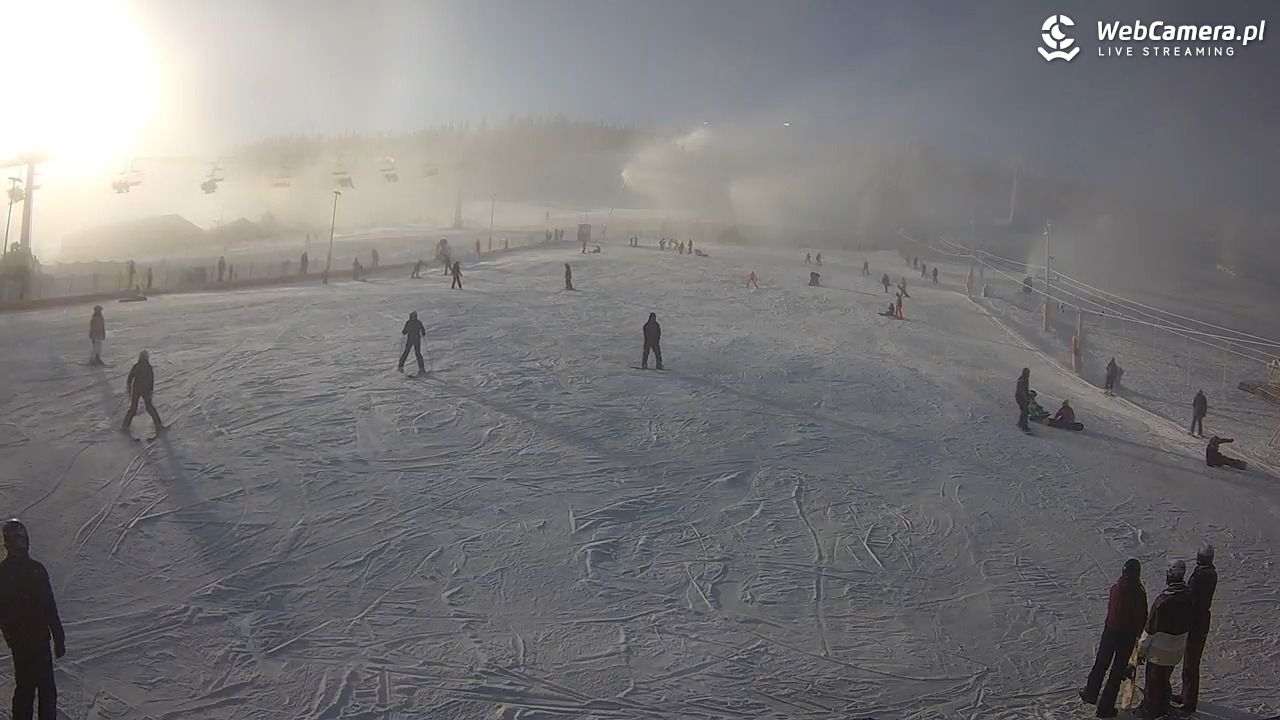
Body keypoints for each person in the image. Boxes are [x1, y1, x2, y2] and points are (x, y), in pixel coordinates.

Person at [0, 519, 65, 720]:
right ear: (8, 542)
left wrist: (58, 636)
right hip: (22, 644)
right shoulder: (4, 572)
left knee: (47, 690)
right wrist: (12, 638)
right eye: (17, 539)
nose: (22, 543)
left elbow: (49, 604)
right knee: (25, 690)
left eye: (24, 538)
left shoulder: (37, 569)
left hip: (40, 640)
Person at [1080, 558, 1147, 718]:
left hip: (1110, 631)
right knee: (1116, 672)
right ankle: (1105, 708)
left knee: (1101, 663)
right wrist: (1139, 637)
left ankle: (1090, 692)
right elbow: (1141, 616)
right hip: (1127, 636)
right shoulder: (1138, 592)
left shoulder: (1115, 588)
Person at [1139, 560, 1193, 720]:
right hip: (1177, 649)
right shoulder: (1190, 596)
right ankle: (1164, 704)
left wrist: (1140, 652)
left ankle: (1151, 711)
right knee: (1165, 677)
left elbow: (1149, 632)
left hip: (1159, 653)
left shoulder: (1162, 602)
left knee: (1153, 682)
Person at [1174, 544, 1216, 713]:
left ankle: (1189, 700)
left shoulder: (1201, 575)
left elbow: (1192, 596)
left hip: (1196, 622)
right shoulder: (1210, 572)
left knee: (1191, 663)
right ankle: (1186, 695)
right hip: (1202, 620)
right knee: (1191, 662)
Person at [122, 350, 164, 431]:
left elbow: (130, 377)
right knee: (149, 407)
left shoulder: (137, 366)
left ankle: (125, 425)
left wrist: (129, 387)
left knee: (133, 408)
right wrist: (151, 390)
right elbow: (151, 379)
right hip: (145, 389)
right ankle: (158, 424)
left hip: (136, 388)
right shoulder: (148, 367)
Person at [1016, 368, 1031, 432]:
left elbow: (1025, 389)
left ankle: (1020, 423)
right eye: (1027, 373)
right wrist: (1026, 398)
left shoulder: (1025, 379)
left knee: (1024, 410)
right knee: (1025, 410)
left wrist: (1028, 394)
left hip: (1021, 397)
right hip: (1020, 397)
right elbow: (1022, 390)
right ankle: (1023, 426)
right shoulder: (1022, 380)